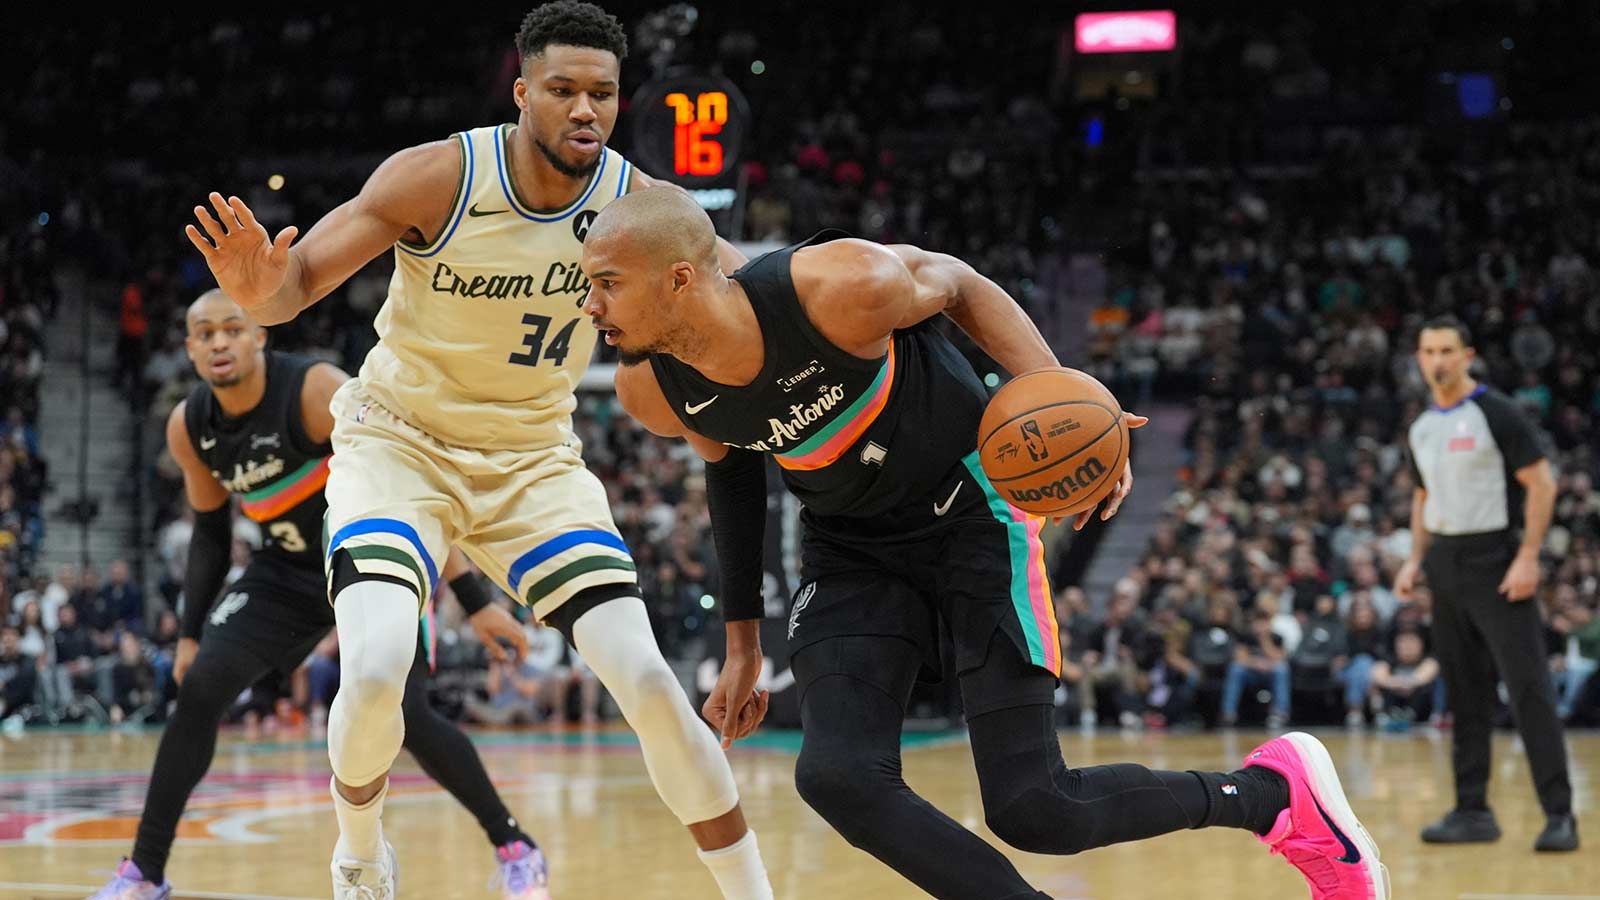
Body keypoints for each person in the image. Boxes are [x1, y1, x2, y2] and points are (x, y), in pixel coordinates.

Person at [585, 186, 1387, 900]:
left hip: (972, 515)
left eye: (606, 284)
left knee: (1037, 809)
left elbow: (960, 284)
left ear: (679, 280)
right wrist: (741, 646)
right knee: (838, 777)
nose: (590, 307)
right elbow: (730, 473)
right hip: (850, 549)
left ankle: (1270, 799)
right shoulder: (651, 387)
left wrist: (1059, 393)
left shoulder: (838, 287)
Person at [182, 4, 773, 898]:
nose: (585, 109)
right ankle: (358, 854)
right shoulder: (440, 176)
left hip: (531, 456)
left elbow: (755, 295)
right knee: (378, 663)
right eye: (565, 90)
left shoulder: (641, 206)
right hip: (399, 444)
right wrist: (261, 289)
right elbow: (292, 288)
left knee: (648, 677)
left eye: (603, 94)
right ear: (523, 90)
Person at [84, 291, 552, 900]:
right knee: (198, 687)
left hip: (370, 559)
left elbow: (408, 483)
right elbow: (210, 535)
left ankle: (515, 846)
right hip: (287, 573)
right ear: (190, 349)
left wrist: (474, 596)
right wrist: (190, 633)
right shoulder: (189, 426)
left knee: (406, 716)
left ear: (260, 336)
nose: (220, 342)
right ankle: (145, 874)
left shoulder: (314, 391)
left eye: (233, 328)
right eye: (206, 334)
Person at [1395, 315, 1578, 851]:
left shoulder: (1496, 413)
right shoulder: (1423, 425)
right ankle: (1472, 811)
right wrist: (1414, 559)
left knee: (1529, 689)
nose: (1437, 360)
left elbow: (1542, 482)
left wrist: (1527, 556)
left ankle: (1559, 815)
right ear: (1419, 358)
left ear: (1467, 355)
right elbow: (1424, 496)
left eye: (1447, 350)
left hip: (1497, 558)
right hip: (1445, 565)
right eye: (1428, 351)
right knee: (1465, 691)